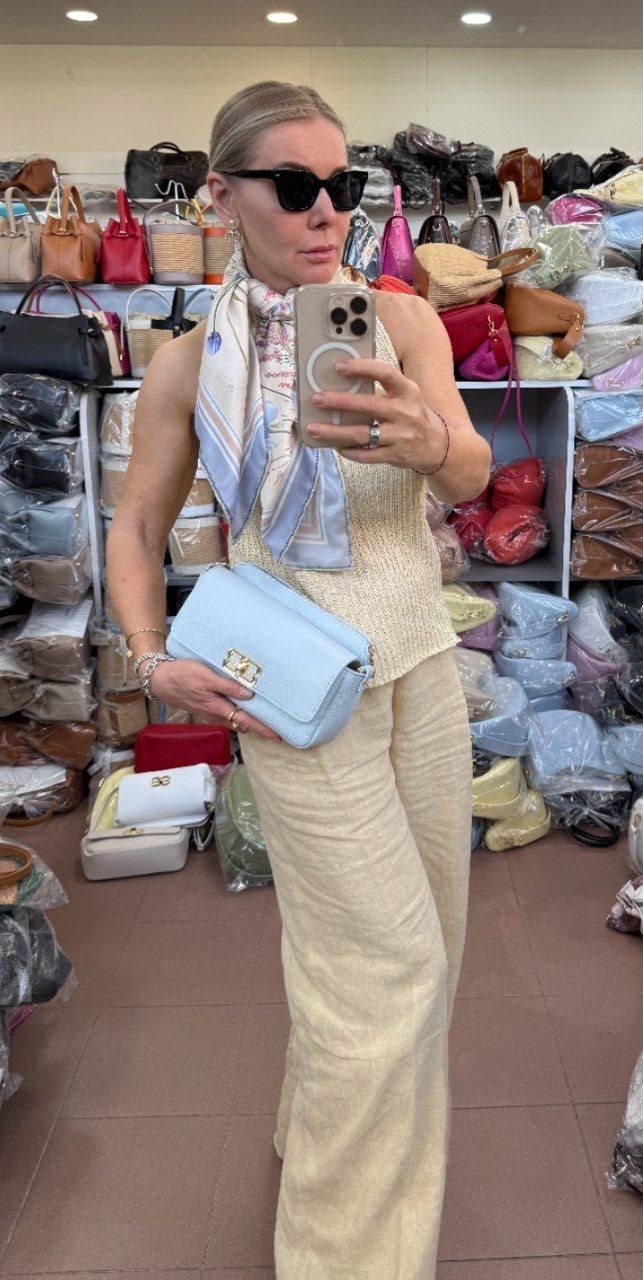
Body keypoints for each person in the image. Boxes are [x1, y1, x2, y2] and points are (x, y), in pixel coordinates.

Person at [107, 80, 491, 1280]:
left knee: (419, 946)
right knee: (385, 970)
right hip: (288, 694)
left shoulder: (402, 322)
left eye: (343, 184)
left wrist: (432, 443)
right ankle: (345, 1256)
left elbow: (472, 475)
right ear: (221, 198)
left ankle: (315, 1128)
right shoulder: (185, 364)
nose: (326, 211)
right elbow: (136, 527)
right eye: (293, 186)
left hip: (420, 668)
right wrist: (150, 658)